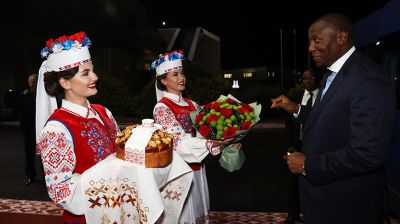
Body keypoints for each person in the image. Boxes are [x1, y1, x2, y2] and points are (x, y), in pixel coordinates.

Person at [271, 13, 396, 224]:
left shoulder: (367, 78)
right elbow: (330, 118)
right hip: (326, 201)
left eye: (316, 40)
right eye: (309, 42)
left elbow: (368, 153)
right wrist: (295, 108)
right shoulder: (334, 74)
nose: (310, 48)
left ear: (341, 38)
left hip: (348, 206)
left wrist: (308, 165)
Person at [35, 31, 119, 224]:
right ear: (65, 82)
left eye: (93, 70)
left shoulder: (103, 111)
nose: (95, 77)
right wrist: (111, 173)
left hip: (119, 209)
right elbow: (60, 190)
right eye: (86, 73)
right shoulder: (56, 129)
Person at [151, 50, 232, 223]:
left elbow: (208, 130)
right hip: (179, 172)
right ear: (163, 81)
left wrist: (228, 138)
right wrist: (208, 144)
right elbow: (177, 142)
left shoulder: (191, 104)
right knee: (184, 215)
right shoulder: (162, 108)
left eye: (182, 73)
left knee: (199, 211)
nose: (181, 77)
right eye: (175, 74)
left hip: (198, 167)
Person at [284, 68, 320, 224]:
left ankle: (313, 214)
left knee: (314, 179)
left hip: (317, 146)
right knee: (294, 181)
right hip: (298, 144)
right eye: (304, 78)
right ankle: (293, 214)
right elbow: (289, 126)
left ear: (317, 79)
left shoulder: (324, 97)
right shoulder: (296, 98)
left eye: (310, 78)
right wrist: (289, 146)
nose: (307, 81)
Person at [19, 73, 38, 185]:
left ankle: (47, 176)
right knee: (29, 153)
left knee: (43, 154)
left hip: (40, 127)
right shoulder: (24, 95)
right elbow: (20, 111)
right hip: (28, 128)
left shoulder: (42, 95)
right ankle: (31, 176)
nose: (33, 83)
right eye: (31, 81)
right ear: (28, 83)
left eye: (35, 81)